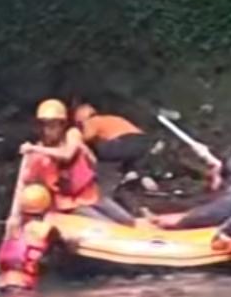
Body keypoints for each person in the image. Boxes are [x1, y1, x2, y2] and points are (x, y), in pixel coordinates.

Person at [8, 99, 136, 230]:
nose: (48, 131)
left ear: (62, 125)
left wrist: (35, 148)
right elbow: (23, 184)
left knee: (128, 221)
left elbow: (68, 155)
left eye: (53, 125)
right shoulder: (37, 157)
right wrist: (14, 216)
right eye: (45, 126)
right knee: (109, 227)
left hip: (91, 195)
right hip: (70, 204)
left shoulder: (72, 135)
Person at [74, 102, 154, 187]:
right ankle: (137, 174)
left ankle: (86, 172)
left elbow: (85, 138)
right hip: (142, 143)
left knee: (88, 146)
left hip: (122, 144)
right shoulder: (112, 118)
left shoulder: (93, 121)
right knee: (135, 157)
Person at [0, 183, 55, 291]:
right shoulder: (45, 229)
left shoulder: (11, 226)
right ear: (46, 207)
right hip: (23, 285)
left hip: (3, 283)